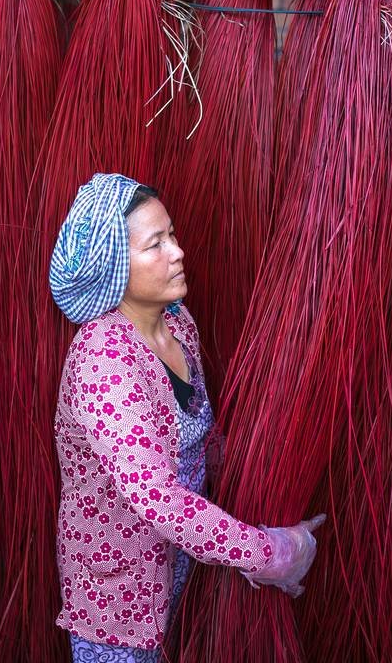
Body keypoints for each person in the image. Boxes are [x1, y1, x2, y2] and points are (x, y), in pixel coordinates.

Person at [49, 173, 324, 662]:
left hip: (185, 572)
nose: (177, 252)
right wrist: (270, 554)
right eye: (155, 244)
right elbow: (160, 501)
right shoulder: (103, 362)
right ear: (114, 266)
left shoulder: (178, 322)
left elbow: (203, 437)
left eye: (171, 234)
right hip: (121, 603)